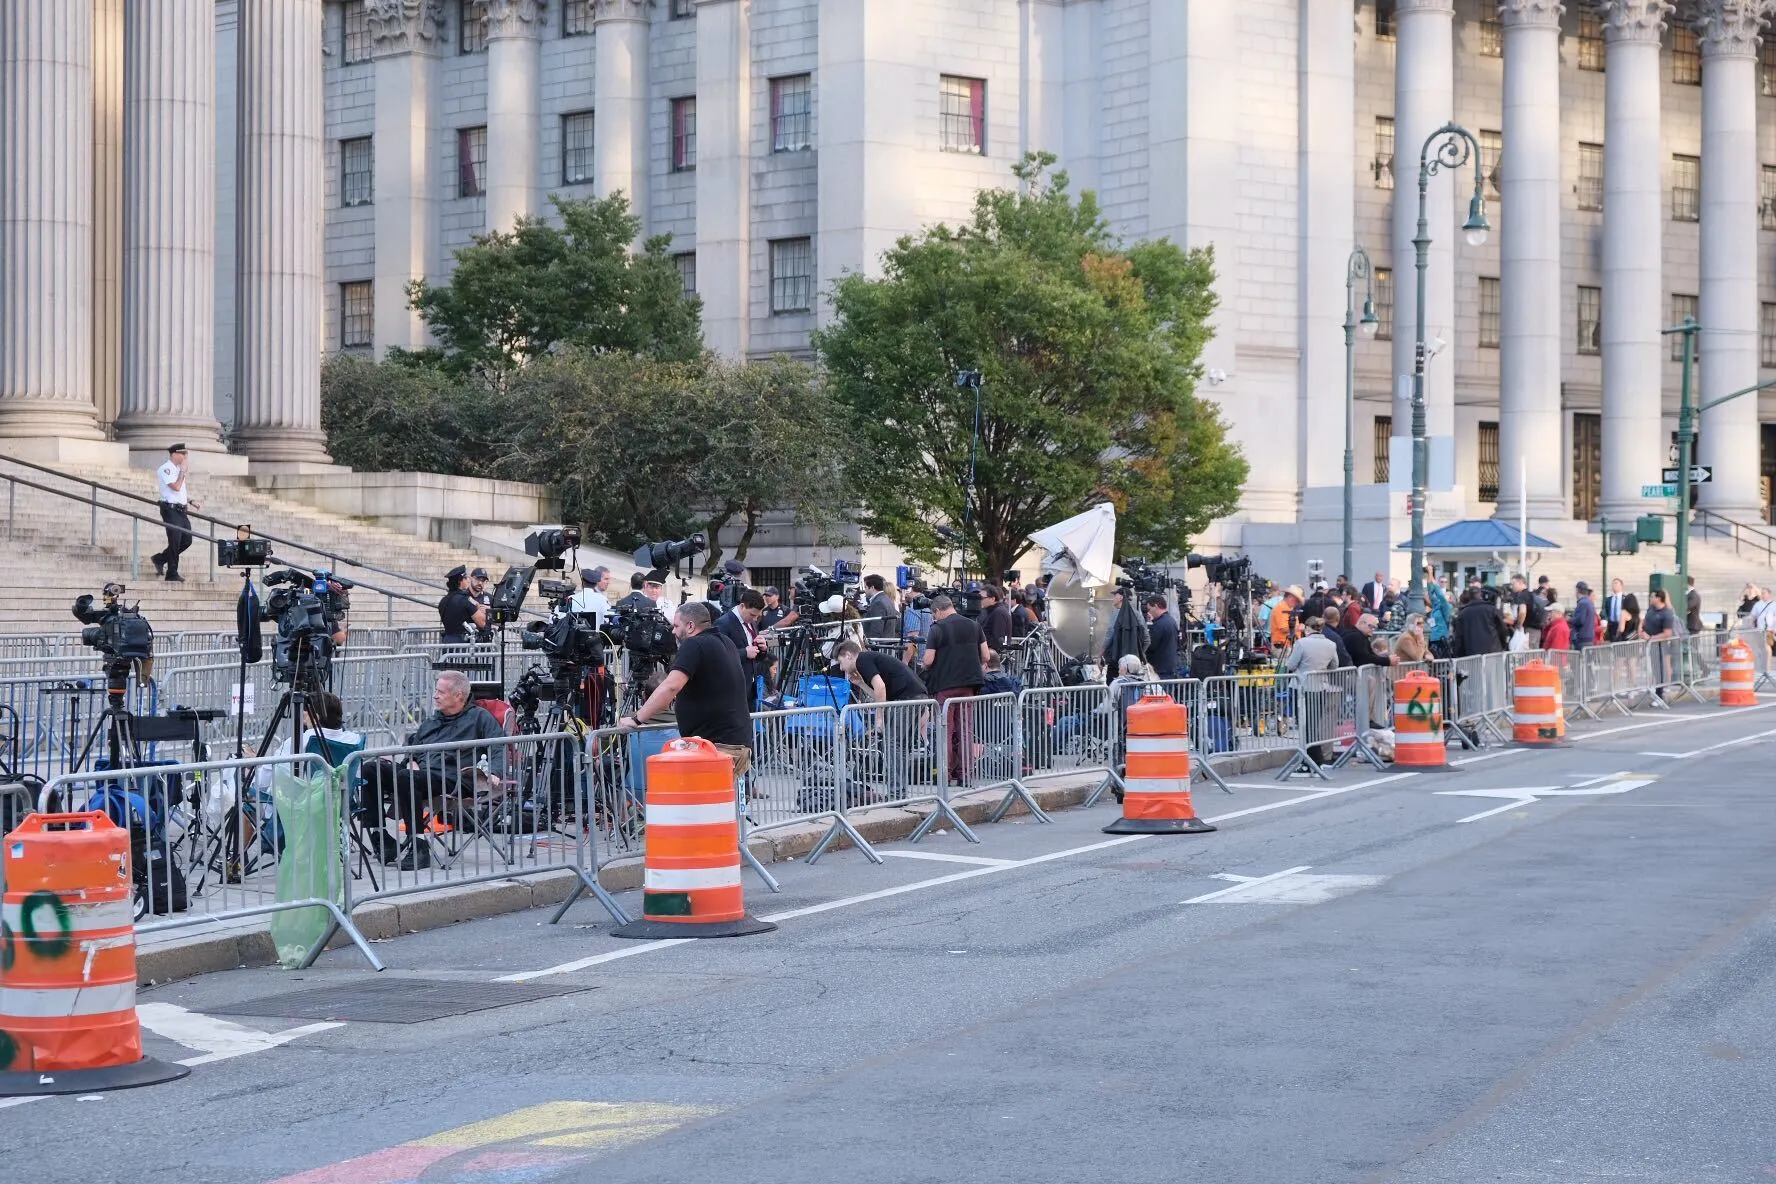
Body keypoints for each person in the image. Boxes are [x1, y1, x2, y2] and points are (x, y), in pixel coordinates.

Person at [360, 671, 505, 869]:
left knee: (406, 777)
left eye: (440, 692)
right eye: (436, 691)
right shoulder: (432, 721)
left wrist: (494, 772)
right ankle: (381, 838)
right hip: (419, 774)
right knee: (370, 769)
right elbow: (413, 747)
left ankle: (419, 846)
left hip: (452, 778)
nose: (435, 696)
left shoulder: (479, 718)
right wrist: (411, 759)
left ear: (458, 696)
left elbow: (499, 745)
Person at [618, 602, 754, 760]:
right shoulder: (726, 642)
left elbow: (671, 687)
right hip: (732, 743)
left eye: (676, 626)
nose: (673, 631)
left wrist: (636, 718)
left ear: (690, 626)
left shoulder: (694, 644)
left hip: (717, 747)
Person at [923, 595, 989, 784]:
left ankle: (945, 774)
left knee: (946, 730)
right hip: (969, 685)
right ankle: (966, 775)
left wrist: (924, 666)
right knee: (965, 731)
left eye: (934, 615)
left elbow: (928, 660)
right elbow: (985, 655)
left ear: (937, 611)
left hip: (945, 685)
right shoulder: (974, 626)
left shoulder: (937, 629)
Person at [151, 443, 200, 583]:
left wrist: (190, 501)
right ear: (174, 454)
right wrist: (183, 472)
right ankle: (172, 572)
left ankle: (160, 558)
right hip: (170, 509)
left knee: (187, 540)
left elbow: (180, 492)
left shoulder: (178, 470)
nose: (185, 457)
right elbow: (176, 487)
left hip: (181, 509)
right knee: (175, 541)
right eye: (183, 454)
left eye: (186, 454)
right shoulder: (166, 469)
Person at [714, 588, 768, 707]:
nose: (754, 619)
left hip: (750, 686)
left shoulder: (750, 621)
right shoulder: (723, 623)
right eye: (752, 615)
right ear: (742, 606)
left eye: (757, 616)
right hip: (732, 687)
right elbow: (717, 655)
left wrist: (763, 649)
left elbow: (755, 655)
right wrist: (744, 653)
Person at [834, 638, 925, 702]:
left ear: (848, 655)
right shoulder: (867, 659)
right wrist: (861, 683)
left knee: (893, 729)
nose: (841, 668)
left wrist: (879, 717)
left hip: (910, 698)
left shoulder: (861, 660)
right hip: (919, 695)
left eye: (840, 662)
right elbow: (881, 697)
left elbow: (880, 687)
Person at [1100, 587, 1148, 674]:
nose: (1113, 598)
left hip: (1116, 662)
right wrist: (1137, 655)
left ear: (1121, 597)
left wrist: (1101, 654)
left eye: (1115, 595)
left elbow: (1109, 635)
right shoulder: (1138, 614)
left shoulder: (1117, 614)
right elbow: (1146, 639)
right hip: (1133, 665)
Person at [1452, 588, 1510, 657]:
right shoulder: (1492, 610)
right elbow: (1503, 630)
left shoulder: (1462, 614)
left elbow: (1459, 638)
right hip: (1493, 652)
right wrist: (1504, 645)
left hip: (1472, 655)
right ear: (1481, 595)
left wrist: (1458, 654)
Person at [438, 565, 486, 643]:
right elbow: (482, 623)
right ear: (460, 581)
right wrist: (485, 611)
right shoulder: (465, 600)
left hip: (447, 642)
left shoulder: (444, 600)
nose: (468, 580)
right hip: (463, 645)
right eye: (466, 578)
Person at [1143, 594, 1180, 679]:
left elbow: (1150, 645)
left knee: (1159, 692)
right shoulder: (1171, 621)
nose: (1148, 612)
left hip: (1159, 669)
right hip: (1170, 667)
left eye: (1149, 609)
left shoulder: (1159, 624)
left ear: (1155, 606)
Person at [1505, 574, 1545, 648]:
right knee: (1534, 656)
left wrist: (1519, 625)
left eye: (1514, 584)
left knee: (1525, 655)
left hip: (1528, 631)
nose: (1512, 586)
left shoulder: (1522, 595)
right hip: (1537, 631)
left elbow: (1522, 612)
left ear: (1520, 582)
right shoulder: (1531, 594)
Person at [861, 574, 902, 642]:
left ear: (872, 587)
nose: (864, 590)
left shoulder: (878, 603)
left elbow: (876, 629)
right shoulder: (886, 599)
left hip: (879, 646)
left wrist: (871, 646)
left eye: (865, 587)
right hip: (886, 644)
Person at [980, 584, 1015, 656]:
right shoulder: (995, 611)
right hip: (993, 654)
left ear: (992, 599)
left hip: (995, 656)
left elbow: (998, 638)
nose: (979, 600)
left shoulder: (998, 613)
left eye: (982, 598)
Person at [1269, 585, 1305, 651]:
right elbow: (1284, 628)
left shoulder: (1289, 608)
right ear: (1290, 597)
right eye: (1296, 600)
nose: (1297, 603)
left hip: (1289, 645)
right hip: (1283, 646)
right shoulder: (1281, 608)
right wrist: (1299, 627)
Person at [1604, 578, 1637, 642]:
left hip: (1624, 627)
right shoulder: (1608, 600)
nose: (1614, 585)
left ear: (1621, 585)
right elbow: (1606, 612)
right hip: (1612, 628)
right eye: (1612, 584)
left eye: (1616, 583)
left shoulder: (1626, 599)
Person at [1570, 582, 1598, 650]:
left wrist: (1570, 619)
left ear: (1577, 590)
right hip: (1589, 637)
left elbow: (1580, 620)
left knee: (1581, 659)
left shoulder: (1582, 603)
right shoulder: (1589, 602)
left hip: (1582, 638)